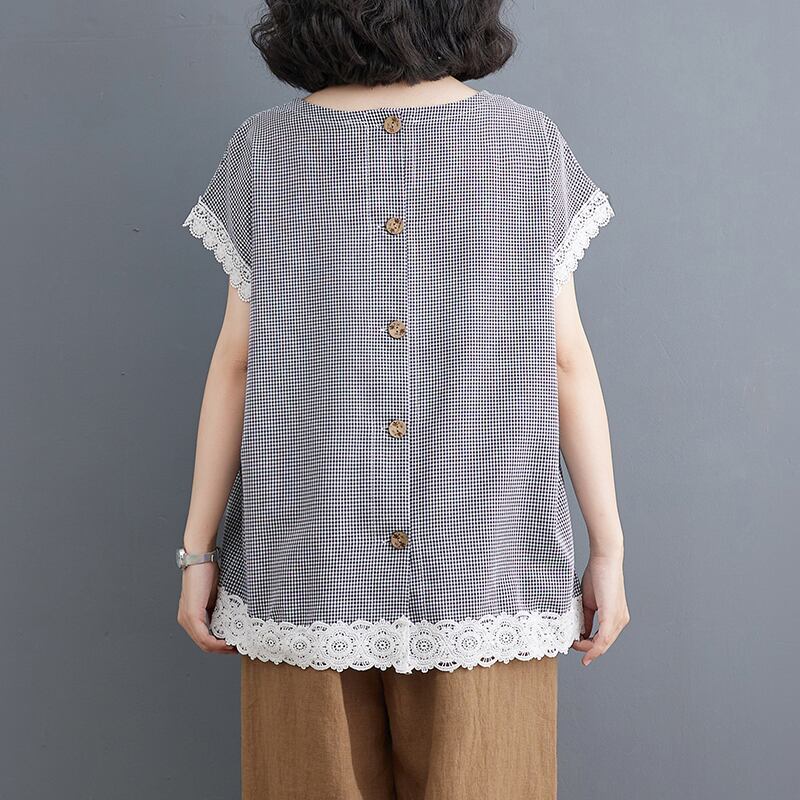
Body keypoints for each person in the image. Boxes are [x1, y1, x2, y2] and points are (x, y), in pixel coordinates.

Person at [176, 1, 630, 798]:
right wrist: (608, 549)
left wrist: (197, 553)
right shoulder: (525, 144)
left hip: (307, 560)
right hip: (485, 559)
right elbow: (566, 362)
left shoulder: (267, 148)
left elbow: (236, 363)